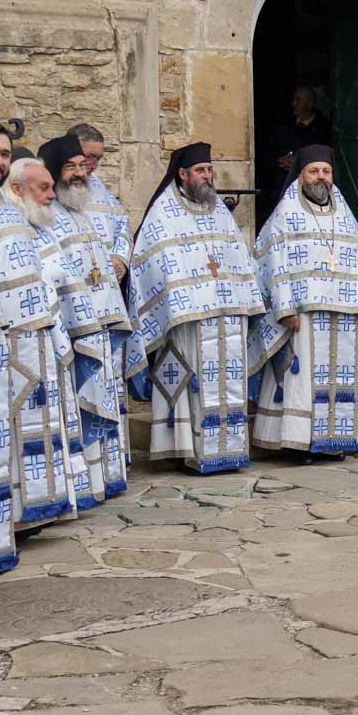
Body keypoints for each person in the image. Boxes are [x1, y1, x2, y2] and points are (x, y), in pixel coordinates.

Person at [0, 123, 88, 544]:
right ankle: (13, 515)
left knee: (35, 429)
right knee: (10, 431)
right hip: (3, 339)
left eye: (3, 153)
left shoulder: (1, 209)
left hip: (36, 333)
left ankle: (35, 508)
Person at [124, 141, 267, 474]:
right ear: (182, 174)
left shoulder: (219, 211)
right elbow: (152, 264)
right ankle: (190, 450)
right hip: (187, 321)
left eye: (209, 170)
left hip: (226, 317)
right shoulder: (163, 212)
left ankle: (228, 451)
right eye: (200, 170)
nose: (207, 176)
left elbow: (239, 258)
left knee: (228, 385)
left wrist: (243, 300)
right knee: (191, 384)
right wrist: (178, 302)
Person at [252, 145, 358, 457]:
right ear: (300, 176)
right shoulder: (286, 214)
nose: (321, 177)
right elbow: (273, 263)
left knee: (339, 378)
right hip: (304, 317)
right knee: (302, 380)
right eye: (314, 171)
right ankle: (299, 443)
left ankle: (336, 441)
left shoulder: (344, 215)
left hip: (343, 315)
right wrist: (285, 309)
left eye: (326, 172)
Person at [31, 136, 133, 505]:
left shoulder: (82, 212)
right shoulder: (46, 217)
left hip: (101, 319)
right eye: (70, 166)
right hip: (75, 325)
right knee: (80, 399)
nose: (79, 173)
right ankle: (85, 481)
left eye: (81, 166)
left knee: (101, 392)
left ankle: (105, 475)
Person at [69, 122, 131, 285]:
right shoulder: (52, 188)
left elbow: (122, 223)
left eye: (98, 159)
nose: (94, 165)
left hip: (107, 282)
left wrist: (119, 258)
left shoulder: (100, 188)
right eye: (89, 156)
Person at [264, 86, 336, 211]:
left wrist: (299, 164)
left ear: (309, 103)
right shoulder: (283, 125)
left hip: (311, 194)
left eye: (297, 100)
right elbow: (267, 154)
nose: (293, 103)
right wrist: (278, 160)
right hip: (280, 191)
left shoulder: (323, 129)